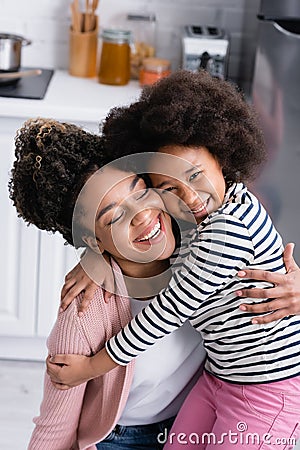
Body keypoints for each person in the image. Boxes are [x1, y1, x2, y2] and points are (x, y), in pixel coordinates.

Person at [46, 71, 300, 449]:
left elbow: (166, 313)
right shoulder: (196, 219)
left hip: (267, 392)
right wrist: (94, 256)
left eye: (195, 176)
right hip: (219, 379)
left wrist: (91, 367)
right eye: (168, 187)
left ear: (222, 154)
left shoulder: (228, 230)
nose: (191, 197)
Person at [8, 118, 206, 449]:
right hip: (127, 439)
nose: (143, 216)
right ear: (91, 239)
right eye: (113, 216)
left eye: (140, 192)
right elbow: (54, 428)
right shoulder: (84, 314)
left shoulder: (205, 240)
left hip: (204, 419)